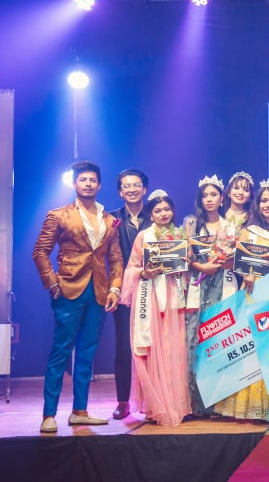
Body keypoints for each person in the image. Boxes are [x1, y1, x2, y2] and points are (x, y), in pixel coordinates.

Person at [33, 161, 123, 433]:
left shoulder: (108, 219)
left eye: (92, 180)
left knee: (87, 353)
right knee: (60, 352)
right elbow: (40, 252)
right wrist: (52, 284)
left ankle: (79, 411)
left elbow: (115, 258)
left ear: (99, 185)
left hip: (98, 292)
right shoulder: (59, 215)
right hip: (68, 289)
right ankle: (49, 414)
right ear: (74, 183)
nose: (88, 184)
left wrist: (115, 288)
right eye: (83, 179)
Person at [215, 180, 269, 420]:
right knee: (254, 348)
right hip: (255, 290)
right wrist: (247, 272)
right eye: (264, 201)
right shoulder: (248, 231)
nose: (268, 205)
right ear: (257, 204)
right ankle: (253, 405)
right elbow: (238, 262)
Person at [120, 190, 190, 426]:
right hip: (151, 295)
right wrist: (144, 273)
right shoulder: (144, 236)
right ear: (150, 214)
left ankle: (177, 404)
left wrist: (186, 263)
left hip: (174, 296)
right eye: (158, 210)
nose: (163, 214)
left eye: (167, 209)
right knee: (153, 350)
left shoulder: (180, 234)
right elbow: (131, 269)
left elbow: (188, 270)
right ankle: (155, 406)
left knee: (173, 350)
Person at [184, 175, 237, 417]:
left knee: (220, 342)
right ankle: (197, 403)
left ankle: (220, 404)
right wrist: (201, 266)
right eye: (204, 195)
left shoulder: (230, 227)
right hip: (198, 286)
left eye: (213, 194)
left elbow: (239, 261)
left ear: (222, 198)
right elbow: (184, 258)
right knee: (196, 343)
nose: (209, 199)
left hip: (223, 286)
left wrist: (226, 262)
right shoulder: (191, 225)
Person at [108, 168, 149, 420]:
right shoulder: (110, 219)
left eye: (136, 185)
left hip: (153, 288)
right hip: (122, 290)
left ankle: (151, 399)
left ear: (144, 189)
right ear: (120, 192)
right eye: (127, 186)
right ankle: (123, 401)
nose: (132, 189)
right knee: (123, 346)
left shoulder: (157, 215)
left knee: (152, 345)